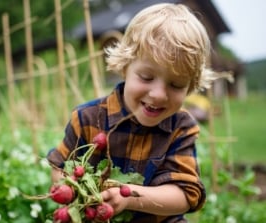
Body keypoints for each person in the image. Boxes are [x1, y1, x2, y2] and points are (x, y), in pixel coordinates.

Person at [47, 3, 230, 222]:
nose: (159, 94)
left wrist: (129, 196)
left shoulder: (181, 128)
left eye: (176, 85)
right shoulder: (87, 118)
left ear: (190, 87)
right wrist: (76, 192)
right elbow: (59, 167)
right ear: (125, 67)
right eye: (146, 77)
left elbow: (185, 194)